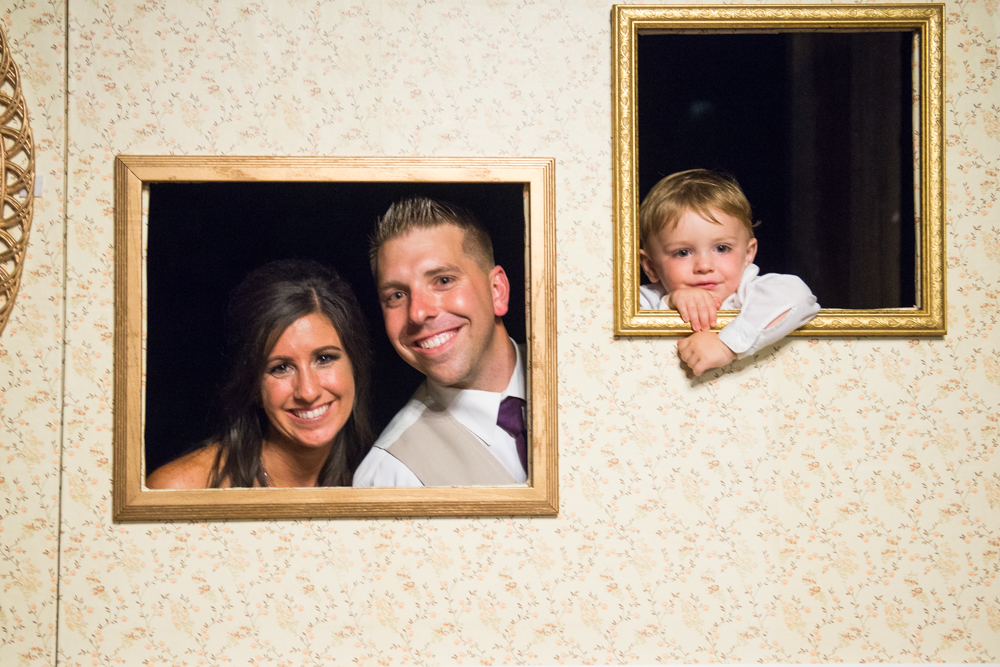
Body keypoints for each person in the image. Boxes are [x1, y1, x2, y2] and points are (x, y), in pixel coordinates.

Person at [146, 259, 374, 488]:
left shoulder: (378, 478)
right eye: (281, 368)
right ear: (253, 386)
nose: (307, 391)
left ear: (355, 365)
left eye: (324, 359)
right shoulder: (180, 489)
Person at [352, 198, 527, 487]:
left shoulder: (578, 375)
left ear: (497, 291)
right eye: (396, 295)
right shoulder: (389, 475)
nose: (418, 313)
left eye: (443, 280)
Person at [638, 169, 820, 376]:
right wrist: (670, 302)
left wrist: (728, 345)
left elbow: (797, 295)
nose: (704, 266)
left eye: (722, 248)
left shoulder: (749, 291)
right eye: (683, 252)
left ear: (748, 254)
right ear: (650, 266)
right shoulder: (648, 300)